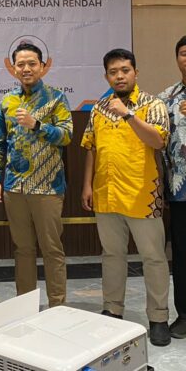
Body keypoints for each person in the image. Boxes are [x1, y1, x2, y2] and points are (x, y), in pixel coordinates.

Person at [81, 48, 171, 347]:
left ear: (135, 73)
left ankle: (158, 318)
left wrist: (129, 115)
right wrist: (87, 185)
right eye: (113, 72)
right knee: (112, 255)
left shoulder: (153, 104)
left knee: (153, 258)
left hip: (143, 194)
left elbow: (158, 141)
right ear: (106, 76)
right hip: (106, 194)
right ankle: (112, 310)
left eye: (125, 70)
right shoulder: (98, 108)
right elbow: (91, 148)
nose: (119, 76)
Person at [0, 43, 72, 308]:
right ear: (13, 68)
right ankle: (24, 306)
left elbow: (67, 135)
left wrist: (37, 125)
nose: (26, 69)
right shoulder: (7, 101)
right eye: (21, 64)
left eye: (32, 63)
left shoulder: (56, 98)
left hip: (47, 187)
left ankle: (57, 306)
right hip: (15, 187)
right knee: (22, 249)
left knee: (52, 249)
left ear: (42, 66)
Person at [158, 35, 186, 339]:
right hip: (180, 190)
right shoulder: (166, 98)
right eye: (183, 53)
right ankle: (185, 314)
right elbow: (158, 146)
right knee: (181, 254)